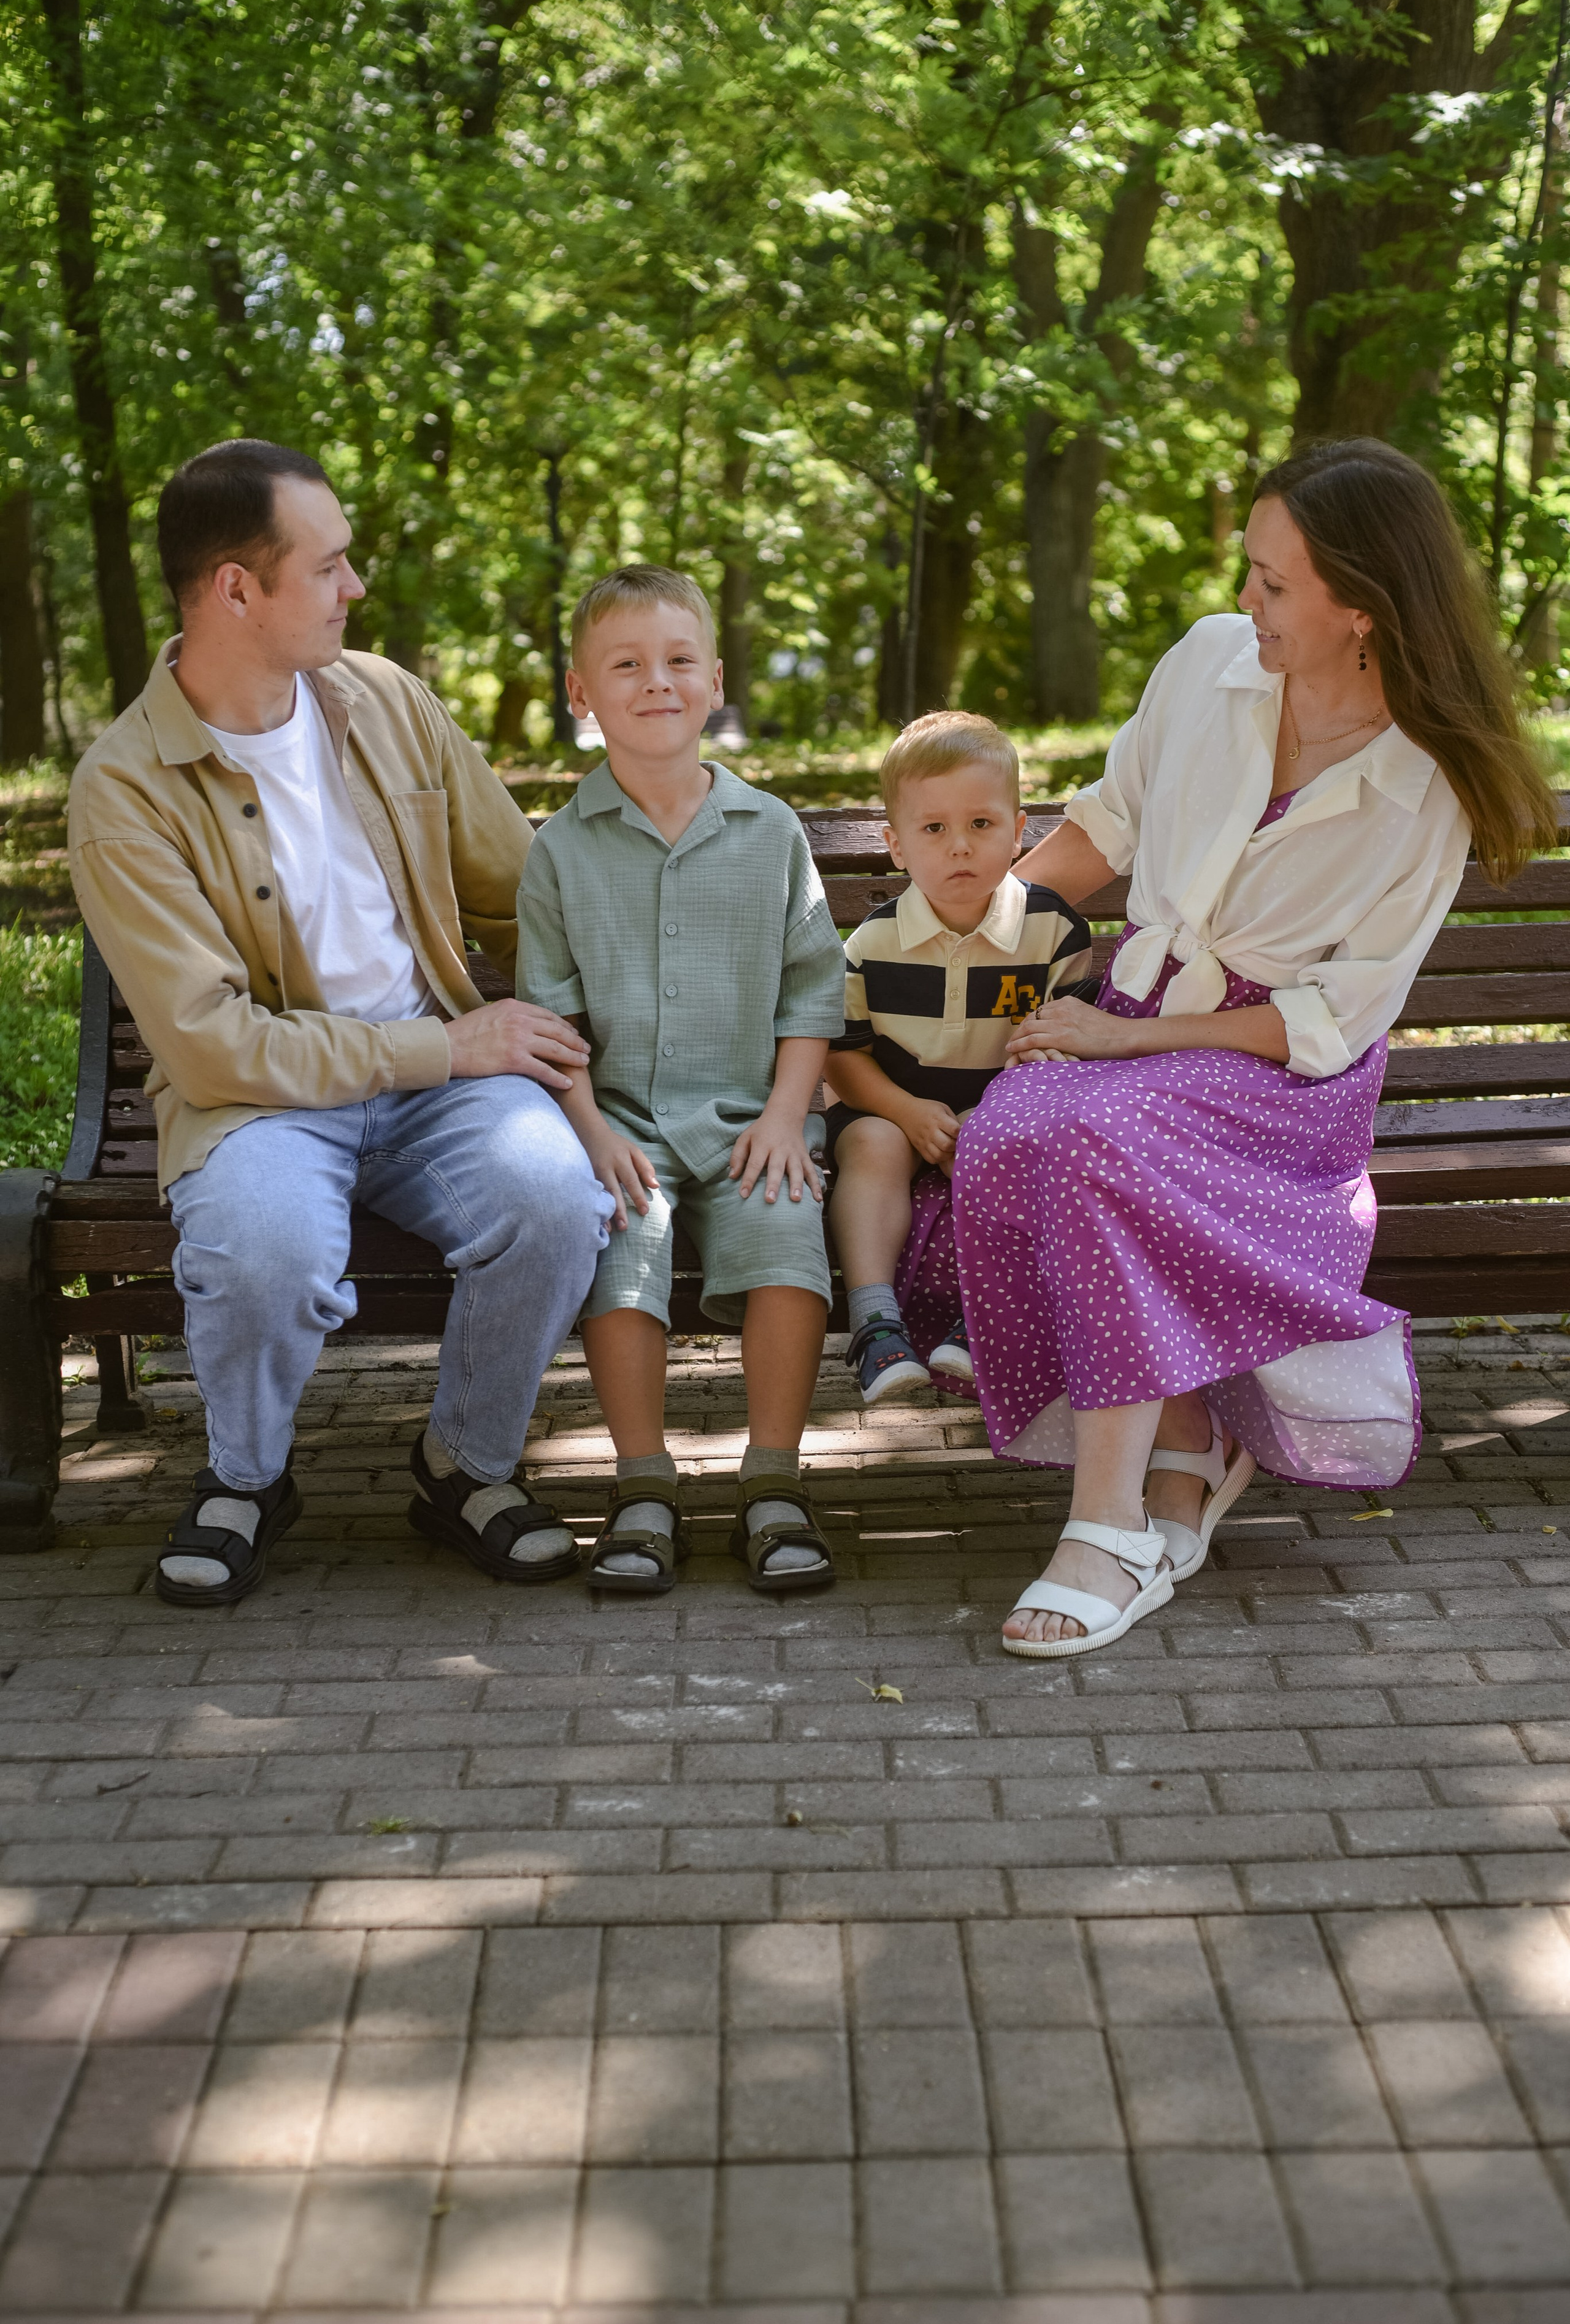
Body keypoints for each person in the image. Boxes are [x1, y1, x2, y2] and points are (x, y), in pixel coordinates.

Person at [948, 436, 1559, 1659]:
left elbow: (1331, 1015)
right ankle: (1184, 1451)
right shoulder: (1208, 665)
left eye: (1273, 585)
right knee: (1013, 1130)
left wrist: (1134, 1045)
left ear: (1361, 608)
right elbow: (1101, 828)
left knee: (1085, 1139)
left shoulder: (1428, 778)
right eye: (1251, 573)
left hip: (1275, 1078)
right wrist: (953, 947)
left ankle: (1106, 1527)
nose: (1245, 602)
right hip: (1125, 1026)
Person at [67, 439, 613, 1608]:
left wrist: (577, 1053)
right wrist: (451, 1046)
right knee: (261, 1248)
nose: (354, 588)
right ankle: (247, 1481)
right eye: (329, 567)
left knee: (557, 1199)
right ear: (236, 590)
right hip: (260, 1103)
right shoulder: (125, 788)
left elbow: (525, 895)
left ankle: (462, 1464)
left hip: (444, 1087)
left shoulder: (386, 703)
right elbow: (212, 1040)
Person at [518, 564, 847, 1595]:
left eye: (677, 661)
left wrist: (792, 1117)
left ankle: (774, 1480)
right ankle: (642, 1482)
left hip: (757, 1114)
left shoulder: (772, 834)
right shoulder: (560, 853)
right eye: (626, 665)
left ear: (713, 682)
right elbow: (554, 1023)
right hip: (620, 1122)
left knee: (786, 1236)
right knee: (622, 1243)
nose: (655, 681)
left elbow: (810, 996)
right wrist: (589, 1133)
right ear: (583, 694)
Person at [824, 710, 1095, 1403]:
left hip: (1004, 1103)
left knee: (1035, 1145)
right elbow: (843, 1059)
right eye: (933, 828)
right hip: (891, 1101)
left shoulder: (1051, 930)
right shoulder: (872, 945)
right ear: (896, 845)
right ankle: (875, 1323)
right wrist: (908, 1112)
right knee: (872, 1145)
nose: (959, 848)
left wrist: (988, 1117)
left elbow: (1062, 1045)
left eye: (980, 824)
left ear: (1017, 829)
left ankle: (986, 1320)